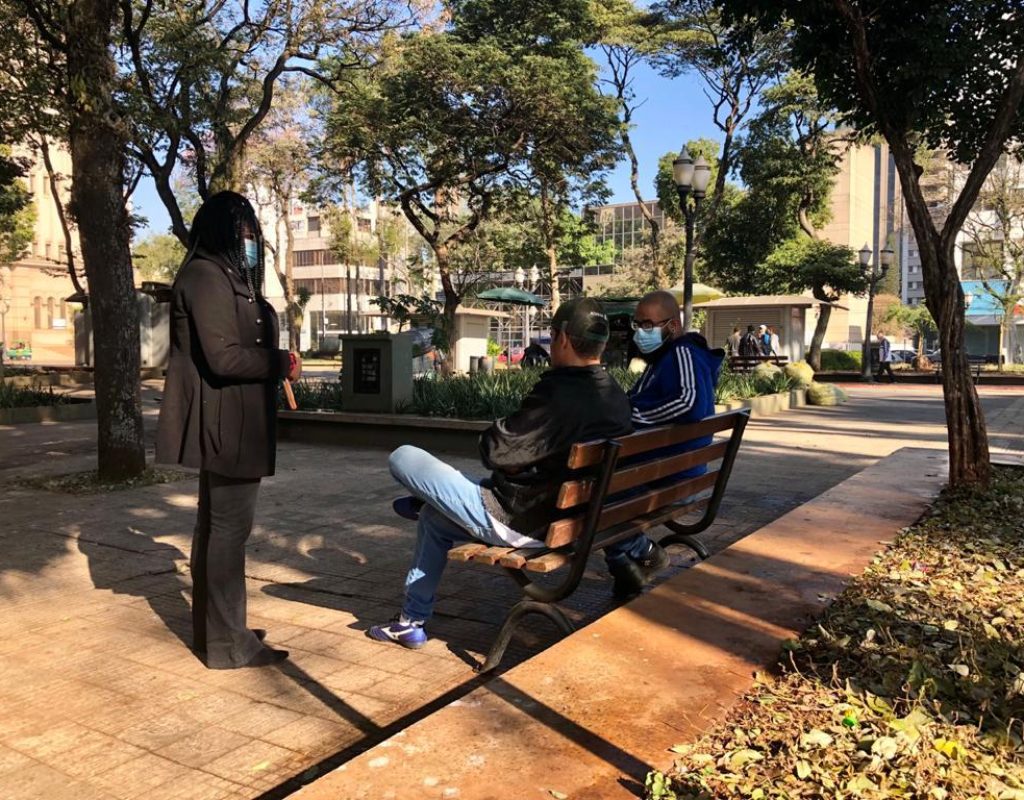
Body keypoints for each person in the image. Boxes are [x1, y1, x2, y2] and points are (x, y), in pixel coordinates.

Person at [368, 298, 632, 649]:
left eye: (552, 336)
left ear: (564, 338)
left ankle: (413, 613)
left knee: (404, 456)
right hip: (576, 519)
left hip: (522, 520)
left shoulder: (560, 393)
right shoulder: (613, 393)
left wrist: (514, 453)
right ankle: (410, 623)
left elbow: (494, 449)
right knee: (433, 516)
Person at [156, 191, 302, 670]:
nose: (251, 239)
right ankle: (228, 644)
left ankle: (220, 633)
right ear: (224, 229)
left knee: (218, 529)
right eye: (245, 230)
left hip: (238, 421)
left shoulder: (221, 276)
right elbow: (223, 357)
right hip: (227, 426)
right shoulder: (205, 276)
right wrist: (281, 362)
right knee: (226, 533)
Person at [604, 291, 725, 598]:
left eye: (648, 324)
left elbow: (689, 403)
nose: (641, 331)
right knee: (598, 490)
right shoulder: (664, 358)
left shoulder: (682, 352)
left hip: (667, 476)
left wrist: (635, 416)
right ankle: (628, 568)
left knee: (591, 497)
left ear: (672, 325)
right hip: (672, 472)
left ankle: (636, 552)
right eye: (637, 324)